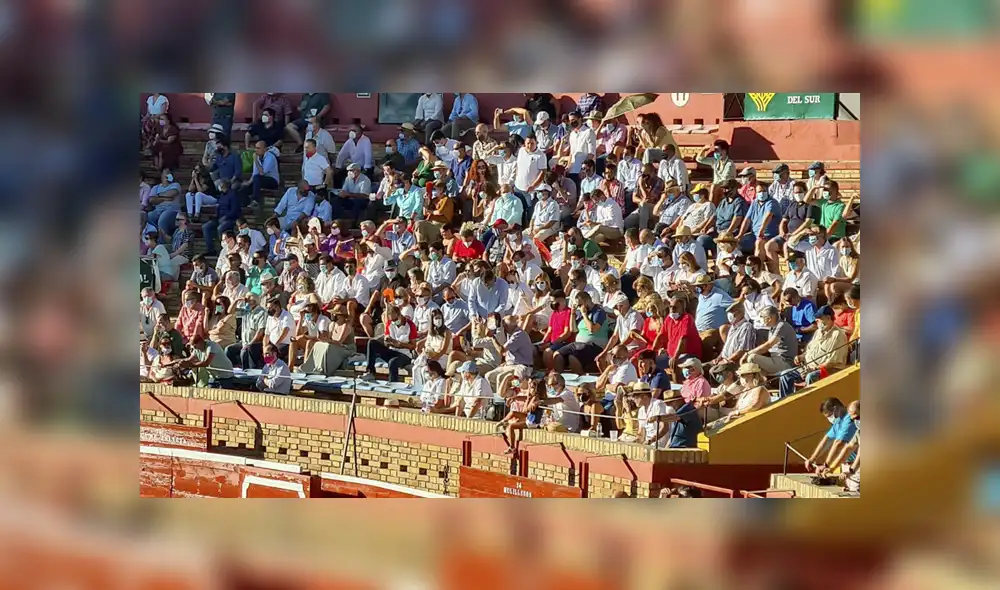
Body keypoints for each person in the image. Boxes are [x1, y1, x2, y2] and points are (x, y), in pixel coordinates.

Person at [778, 306, 848, 399]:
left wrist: (814, 369)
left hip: (828, 370)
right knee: (785, 375)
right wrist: (801, 357)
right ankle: (785, 402)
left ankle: (809, 403)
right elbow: (809, 351)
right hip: (809, 366)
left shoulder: (838, 335)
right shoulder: (818, 332)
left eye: (819, 319)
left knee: (811, 376)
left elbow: (832, 362)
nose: (817, 321)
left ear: (828, 318)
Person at [551, 292, 609, 374]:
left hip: (594, 345)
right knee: (557, 354)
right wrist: (573, 314)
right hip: (578, 344)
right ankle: (559, 380)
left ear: (586, 301)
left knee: (573, 357)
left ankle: (582, 380)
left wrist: (584, 314)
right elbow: (573, 330)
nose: (579, 307)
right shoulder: (581, 314)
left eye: (580, 305)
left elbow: (592, 329)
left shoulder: (598, 312)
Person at [704, 362, 769, 429]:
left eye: (742, 375)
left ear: (751, 375)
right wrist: (731, 415)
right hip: (741, 420)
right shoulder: (744, 390)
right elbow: (736, 407)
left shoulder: (760, 389)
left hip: (752, 422)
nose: (740, 378)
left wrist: (737, 412)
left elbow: (755, 405)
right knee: (707, 427)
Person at [362, 305, 416, 383]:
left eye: (395, 319)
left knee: (392, 362)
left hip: (404, 354)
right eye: (392, 320)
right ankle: (370, 372)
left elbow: (413, 346)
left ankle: (393, 383)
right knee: (372, 342)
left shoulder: (410, 325)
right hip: (392, 350)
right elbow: (386, 341)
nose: (394, 321)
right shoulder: (390, 323)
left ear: (399, 315)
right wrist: (387, 341)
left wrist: (400, 344)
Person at [804, 397, 858, 474]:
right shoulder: (838, 421)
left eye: (829, 416)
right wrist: (812, 459)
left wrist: (826, 465)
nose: (830, 419)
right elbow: (827, 440)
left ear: (835, 409)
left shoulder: (849, 418)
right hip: (848, 464)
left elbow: (839, 442)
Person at [744, 305, 798, 376]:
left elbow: (768, 345)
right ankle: (762, 380)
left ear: (769, 318)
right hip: (775, 359)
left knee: (752, 358)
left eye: (762, 317)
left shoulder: (782, 326)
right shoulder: (772, 328)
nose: (761, 319)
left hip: (784, 362)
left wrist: (748, 353)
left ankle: (760, 381)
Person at [692, 275, 733, 360]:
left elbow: (733, 305)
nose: (698, 288)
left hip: (713, 330)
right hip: (698, 330)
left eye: (701, 285)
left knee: (705, 341)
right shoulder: (701, 296)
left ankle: (706, 364)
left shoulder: (720, 295)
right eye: (697, 286)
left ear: (709, 285)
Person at [737, 181, 782, 256]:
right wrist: (740, 235)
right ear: (756, 192)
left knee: (759, 243)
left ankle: (758, 266)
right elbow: (747, 220)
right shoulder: (754, 202)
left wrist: (761, 231)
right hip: (754, 234)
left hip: (768, 235)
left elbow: (768, 216)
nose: (762, 193)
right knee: (735, 244)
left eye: (764, 191)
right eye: (759, 191)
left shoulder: (772, 202)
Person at [226, 292, 267, 369]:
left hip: (255, 342)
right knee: (228, 349)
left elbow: (260, 331)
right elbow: (229, 311)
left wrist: (250, 344)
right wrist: (236, 300)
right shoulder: (246, 311)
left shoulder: (262, 312)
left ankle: (246, 373)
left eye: (248, 300)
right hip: (244, 342)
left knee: (244, 352)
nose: (246, 302)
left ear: (254, 301)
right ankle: (234, 368)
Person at [146, 169, 183, 239]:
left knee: (162, 219)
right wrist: (165, 198)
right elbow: (151, 200)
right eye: (165, 173)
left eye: (168, 173)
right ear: (161, 175)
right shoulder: (156, 187)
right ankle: (154, 237)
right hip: (158, 210)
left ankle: (161, 242)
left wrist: (158, 196)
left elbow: (172, 193)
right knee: (149, 215)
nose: (167, 175)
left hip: (172, 210)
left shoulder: (175, 185)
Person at [715, 302, 756, 366]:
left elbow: (743, 350)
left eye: (732, 311)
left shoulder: (746, 327)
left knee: (711, 370)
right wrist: (719, 357)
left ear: (740, 312)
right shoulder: (732, 327)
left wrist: (727, 361)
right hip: (725, 359)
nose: (729, 314)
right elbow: (726, 346)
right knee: (704, 366)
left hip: (734, 363)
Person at [248, 140, 281, 209]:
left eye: (258, 148)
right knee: (244, 188)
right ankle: (246, 204)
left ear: (265, 149)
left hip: (273, 181)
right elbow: (255, 173)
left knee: (257, 178)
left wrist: (256, 161)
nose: (256, 150)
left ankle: (255, 201)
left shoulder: (270, 157)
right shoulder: (257, 157)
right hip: (261, 179)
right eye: (256, 148)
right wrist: (248, 183)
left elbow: (262, 173)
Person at [262, 296, 295, 362]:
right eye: (268, 308)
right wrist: (264, 347)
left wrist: (274, 347)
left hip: (285, 344)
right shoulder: (270, 318)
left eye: (270, 308)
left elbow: (284, 333)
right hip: (272, 344)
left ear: (277, 307)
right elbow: (267, 335)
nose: (269, 310)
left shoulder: (286, 316)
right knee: (253, 349)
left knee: (274, 352)